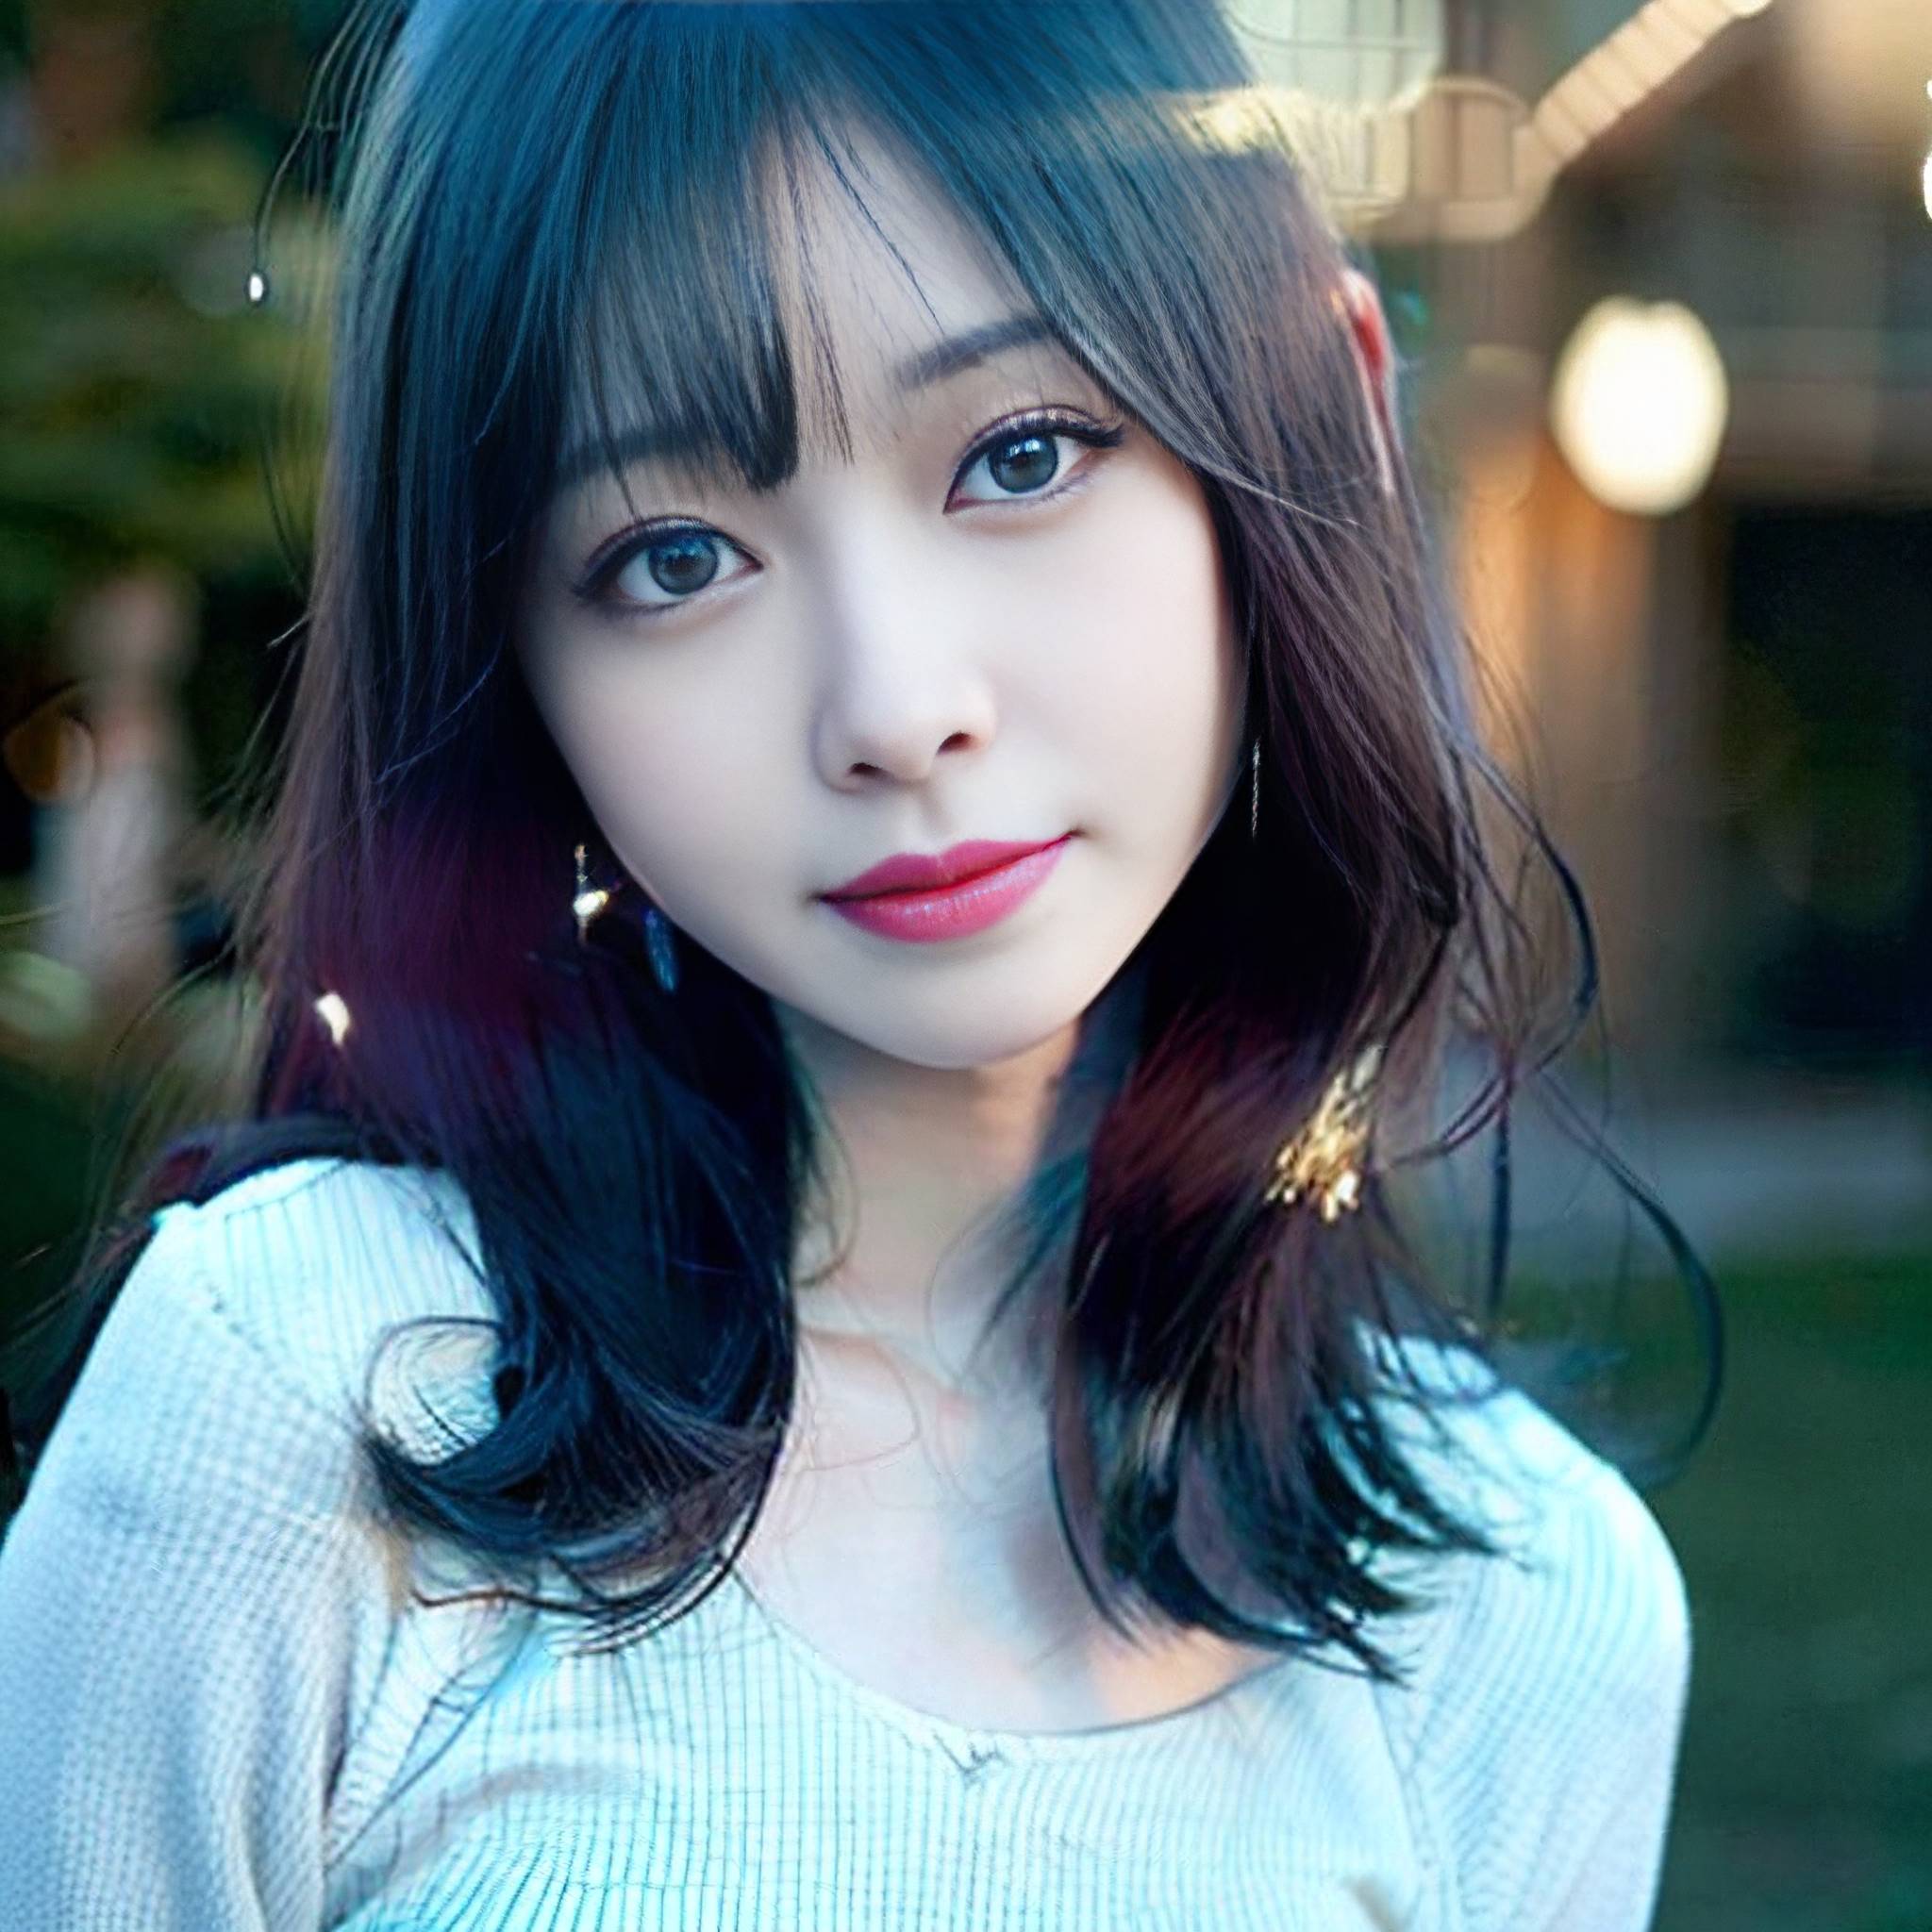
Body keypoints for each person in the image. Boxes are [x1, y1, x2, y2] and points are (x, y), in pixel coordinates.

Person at [0, 1, 1708, 1926]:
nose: (893, 707)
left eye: (1023, 452)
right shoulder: (308, 1399)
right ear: (516, 668)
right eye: (670, 558)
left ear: (1324, 418)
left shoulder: (1521, 1608)